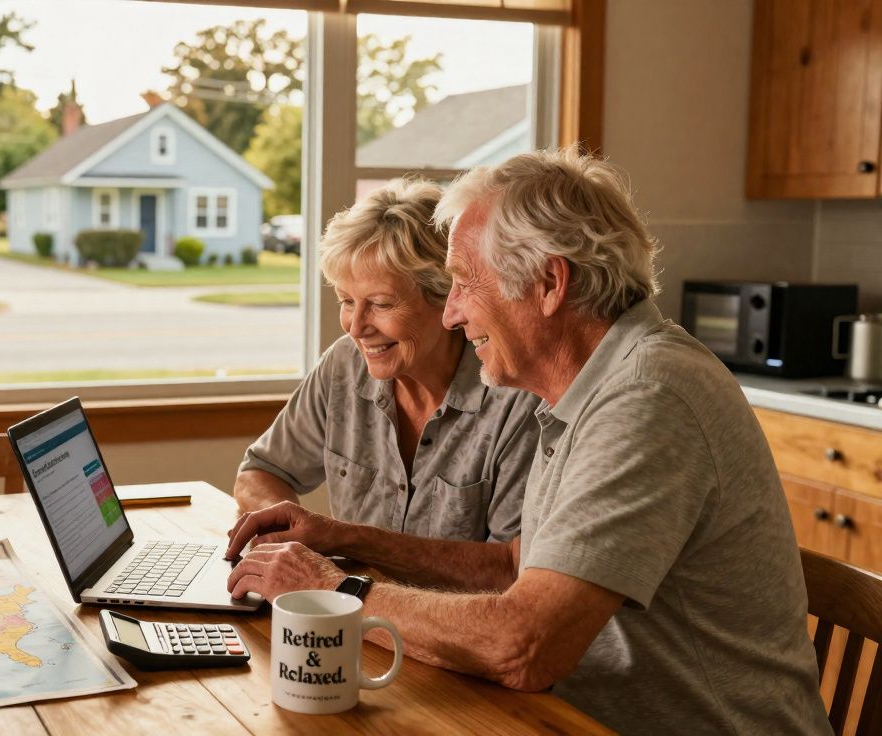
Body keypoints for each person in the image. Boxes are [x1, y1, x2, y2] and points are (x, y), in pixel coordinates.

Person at [226, 149, 830, 735]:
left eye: (463, 284)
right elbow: (519, 567)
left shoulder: (648, 398)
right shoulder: (581, 390)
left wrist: (333, 593)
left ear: (548, 282)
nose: (453, 315)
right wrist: (339, 540)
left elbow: (523, 646)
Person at [232, 178, 541, 584]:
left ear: (446, 299)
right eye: (346, 301)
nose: (356, 327)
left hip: (453, 636)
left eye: (379, 304)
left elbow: (510, 568)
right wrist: (288, 540)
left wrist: (348, 539)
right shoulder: (344, 364)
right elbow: (259, 472)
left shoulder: (515, 397)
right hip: (349, 620)